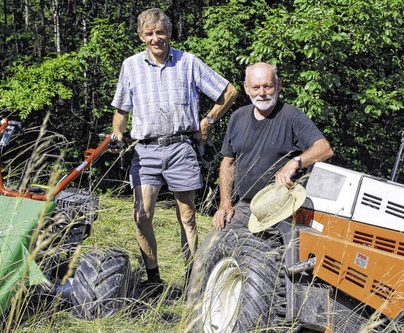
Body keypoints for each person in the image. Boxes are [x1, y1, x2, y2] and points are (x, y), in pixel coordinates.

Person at [110, 8, 238, 296]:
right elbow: (121, 111)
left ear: (169, 33)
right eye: (149, 33)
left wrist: (208, 121)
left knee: (188, 215)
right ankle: (153, 279)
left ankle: (192, 280)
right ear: (141, 36)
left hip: (182, 147)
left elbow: (228, 91)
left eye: (160, 32)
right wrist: (117, 133)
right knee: (141, 215)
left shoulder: (187, 62)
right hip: (146, 150)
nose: (156, 38)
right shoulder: (130, 66)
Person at [212, 62, 333, 231]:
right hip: (245, 206)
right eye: (255, 87)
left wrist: (295, 162)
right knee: (213, 248)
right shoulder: (237, 117)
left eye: (268, 86)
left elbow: (325, 149)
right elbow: (228, 162)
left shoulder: (292, 116)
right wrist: (225, 203)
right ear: (246, 88)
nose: (262, 93)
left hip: (281, 210)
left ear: (279, 85)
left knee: (261, 255)